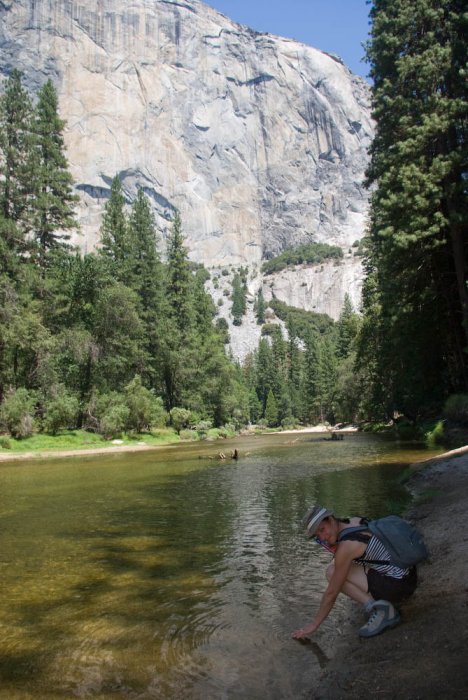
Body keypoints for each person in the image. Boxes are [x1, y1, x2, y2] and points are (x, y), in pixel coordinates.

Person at [292, 505, 418, 639]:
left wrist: (314, 624)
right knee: (334, 569)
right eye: (318, 535)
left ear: (330, 519)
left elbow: (331, 593)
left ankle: (383, 612)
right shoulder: (355, 521)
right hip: (408, 575)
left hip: (399, 587)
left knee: (331, 573)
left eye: (322, 529)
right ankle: (378, 606)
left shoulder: (347, 546)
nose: (323, 537)